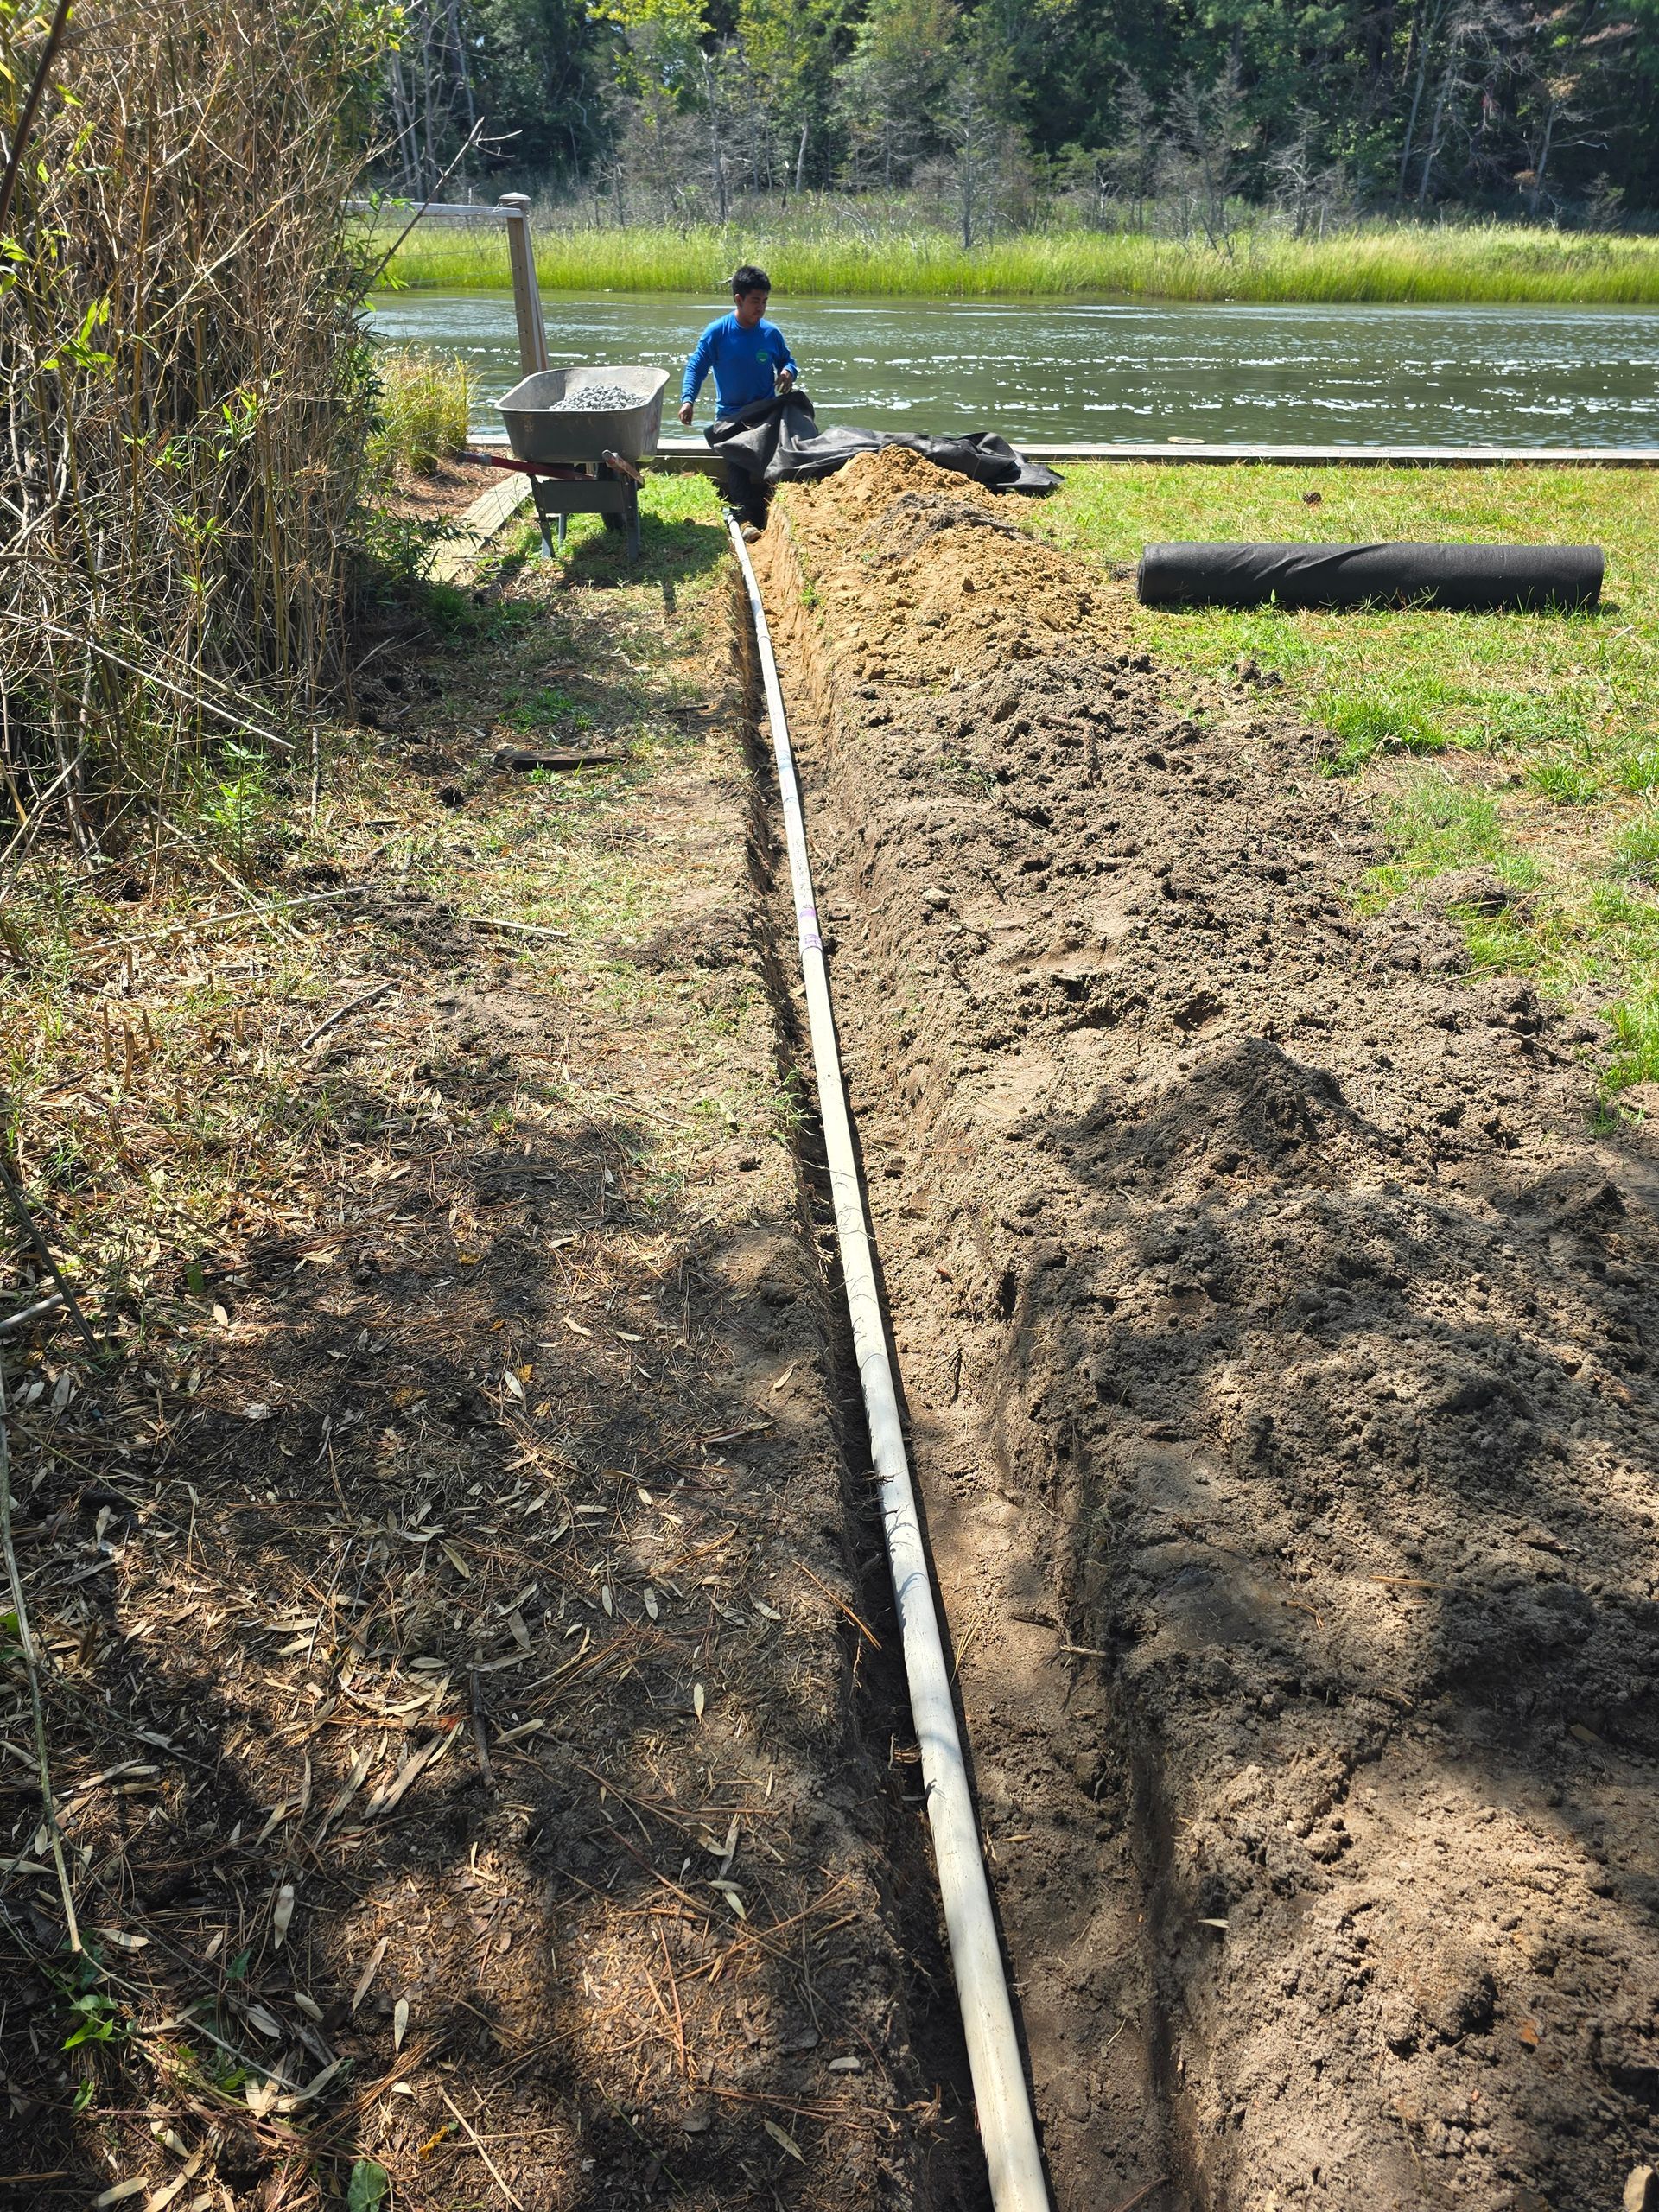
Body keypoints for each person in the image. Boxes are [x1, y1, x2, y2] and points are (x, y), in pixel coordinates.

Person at [678, 264, 798, 531]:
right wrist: (688, 399)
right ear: (739, 300)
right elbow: (696, 366)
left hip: (765, 413)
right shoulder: (717, 332)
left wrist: (789, 371)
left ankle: (774, 506)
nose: (761, 308)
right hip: (731, 417)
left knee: (784, 451)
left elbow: (788, 361)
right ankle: (745, 516)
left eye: (765, 302)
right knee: (736, 461)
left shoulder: (770, 334)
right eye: (755, 301)